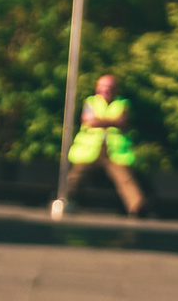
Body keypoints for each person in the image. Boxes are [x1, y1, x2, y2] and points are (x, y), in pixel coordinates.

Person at [61, 72, 146, 216]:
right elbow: (89, 121)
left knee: (126, 179)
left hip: (114, 151)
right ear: (97, 88)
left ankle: (138, 207)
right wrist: (112, 121)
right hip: (90, 150)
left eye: (109, 87)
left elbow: (123, 123)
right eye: (102, 86)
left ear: (115, 89)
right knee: (75, 176)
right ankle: (65, 200)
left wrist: (100, 121)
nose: (105, 90)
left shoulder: (122, 103)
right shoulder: (91, 102)